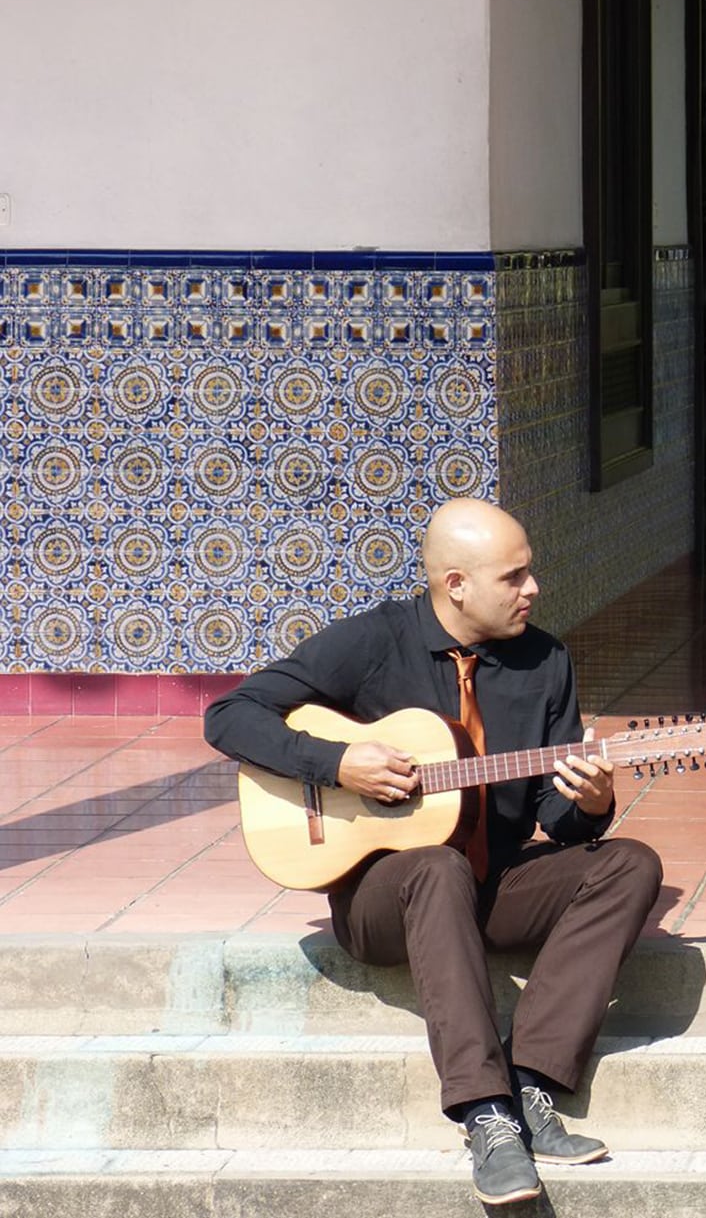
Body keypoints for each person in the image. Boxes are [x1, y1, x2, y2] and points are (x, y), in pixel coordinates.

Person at [205, 498, 663, 1205]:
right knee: (435, 865)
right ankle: (485, 1112)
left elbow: (556, 819)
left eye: (529, 571)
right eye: (513, 577)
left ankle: (532, 1079)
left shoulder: (546, 661)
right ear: (456, 584)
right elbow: (229, 714)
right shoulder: (373, 641)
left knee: (631, 863)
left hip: (492, 883)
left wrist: (592, 802)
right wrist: (338, 763)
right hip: (384, 899)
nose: (533, 588)